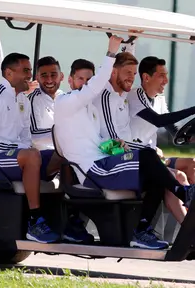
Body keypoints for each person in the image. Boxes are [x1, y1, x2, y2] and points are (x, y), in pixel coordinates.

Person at [54, 35, 195, 249]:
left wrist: (129, 41)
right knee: (150, 157)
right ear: (69, 80)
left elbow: (104, 140)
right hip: (95, 169)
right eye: (81, 80)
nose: (86, 85)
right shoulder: (66, 102)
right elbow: (99, 91)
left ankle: (144, 230)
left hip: (106, 162)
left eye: (89, 80)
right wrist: (111, 49)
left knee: (157, 172)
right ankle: (182, 193)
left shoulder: (91, 108)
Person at [0, 53, 64, 244]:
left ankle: (69, 219)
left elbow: (26, 136)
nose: (29, 76)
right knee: (31, 156)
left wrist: (26, 151)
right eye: (25, 71)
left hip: (13, 157)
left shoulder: (23, 99)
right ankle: (34, 220)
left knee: (62, 154)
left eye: (30, 71)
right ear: (8, 73)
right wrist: (23, 151)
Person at [28, 56, 94, 244]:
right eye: (44, 76)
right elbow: (34, 135)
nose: (49, 80)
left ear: (62, 76)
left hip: (64, 151)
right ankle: (71, 221)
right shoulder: (32, 99)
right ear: (38, 78)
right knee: (69, 159)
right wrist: (67, 133)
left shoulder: (65, 98)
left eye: (53, 75)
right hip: (40, 156)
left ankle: (76, 218)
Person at [128, 56, 195, 223]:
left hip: (156, 156)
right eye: (161, 76)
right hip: (138, 158)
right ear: (146, 77)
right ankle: (188, 231)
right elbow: (159, 120)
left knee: (192, 163)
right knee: (178, 176)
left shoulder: (159, 98)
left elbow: (172, 127)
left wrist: (189, 137)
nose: (166, 80)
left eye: (166, 75)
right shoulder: (134, 96)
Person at [92, 39, 146, 150]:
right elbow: (113, 141)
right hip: (116, 157)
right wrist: (147, 150)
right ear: (113, 72)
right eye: (128, 73)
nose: (132, 77)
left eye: (134, 73)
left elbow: (126, 59)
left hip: (131, 153)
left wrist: (132, 38)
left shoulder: (122, 92)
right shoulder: (105, 97)